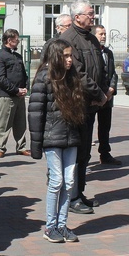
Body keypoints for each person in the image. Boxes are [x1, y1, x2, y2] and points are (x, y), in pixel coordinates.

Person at [28, 39, 85, 243]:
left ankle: (62, 224)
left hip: (71, 137)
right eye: (66, 56)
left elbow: (80, 110)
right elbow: (35, 113)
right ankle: (50, 226)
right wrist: (36, 145)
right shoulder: (44, 78)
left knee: (69, 182)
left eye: (71, 56)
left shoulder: (71, 77)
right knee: (56, 181)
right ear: (55, 57)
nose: (70, 60)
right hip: (52, 137)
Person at [61, 0, 108, 214]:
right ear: (77, 16)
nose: (93, 17)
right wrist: (98, 94)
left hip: (92, 105)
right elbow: (78, 74)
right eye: (90, 13)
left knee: (85, 154)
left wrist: (105, 91)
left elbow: (101, 68)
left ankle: (79, 193)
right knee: (76, 153)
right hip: (78, 105)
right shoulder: (68, 39)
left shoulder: (90, 38)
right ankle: (71, 197)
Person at [0, 28, 30, 159]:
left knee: (20, 123)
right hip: (7, 95)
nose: (18, 41)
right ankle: (0, 147)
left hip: (19, 95)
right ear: (9, 40)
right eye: (16, 39)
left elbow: (24, 74)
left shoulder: (17, 56)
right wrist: (15, 90)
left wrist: (25, 87)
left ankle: (21, 146)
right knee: (4, 123)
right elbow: (1, 79)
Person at [92, 24, 121, 166]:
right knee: (88, 126)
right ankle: (84, 156)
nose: (103, 37)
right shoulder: (90, 52)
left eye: (104, 34)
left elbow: (113, 73)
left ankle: (105, 153)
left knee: (105, 127)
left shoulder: (108, 53)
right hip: (93, 97)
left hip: (107, 97)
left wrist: (112, 89)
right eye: (100, 34)